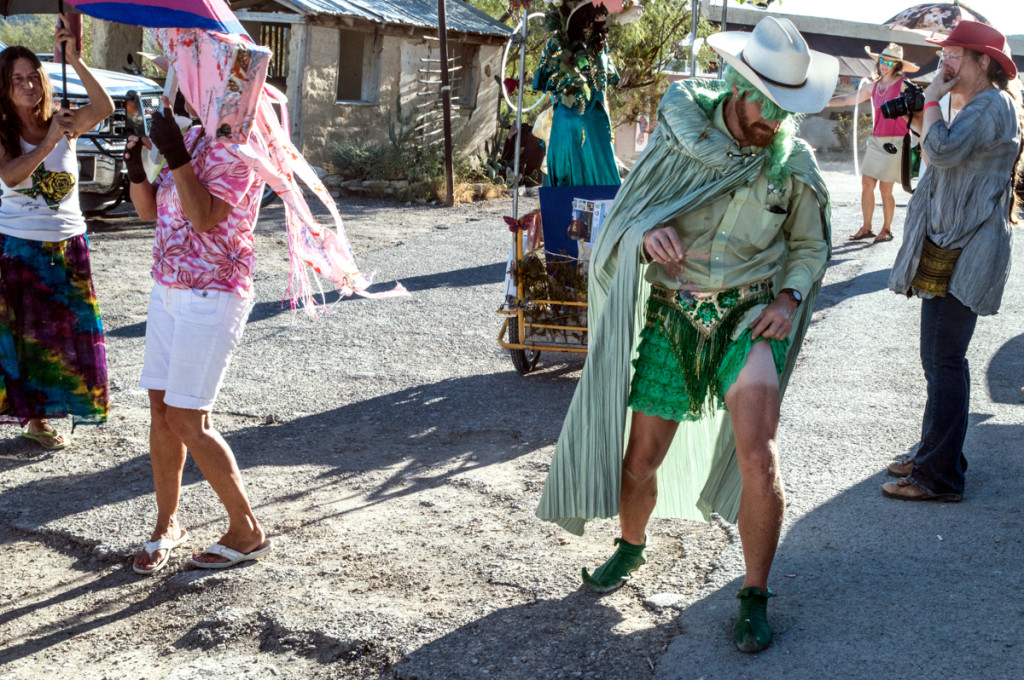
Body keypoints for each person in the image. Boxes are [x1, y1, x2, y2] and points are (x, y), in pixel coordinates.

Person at [535, 17, 837, 653]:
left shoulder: (793, 164)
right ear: (736, 86)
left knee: (760, 454)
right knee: (641, 458)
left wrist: (788, 296)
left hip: (750, 315)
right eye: (766, 104)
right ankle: (630, 545)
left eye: (787, 109)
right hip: (675, 313)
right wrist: (646, 233)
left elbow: (809, 245)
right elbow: (624, 217)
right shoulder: (678, 141)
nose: (774, 121)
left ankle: (754, 595)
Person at [126, 98, 273, 575]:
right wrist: (136, 170)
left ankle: (246, 529)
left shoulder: (239, 147)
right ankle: (167, 523)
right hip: (167, 288)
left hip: (212, 293)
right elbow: (150, 212)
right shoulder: (188, 136)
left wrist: (176, 155)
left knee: (190, 417)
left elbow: (205, 216)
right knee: (161, 410)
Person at [884, 21, 1022, 502]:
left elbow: (939, 152)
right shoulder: (982, 104)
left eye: (956, 54)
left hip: (966, 247)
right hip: (955, 243)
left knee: (944, 360)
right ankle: (935, 454)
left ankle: (938, 476)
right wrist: (937, 102)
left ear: (984, 62)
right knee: (940, 360)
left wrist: (933, 99)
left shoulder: (988, 106)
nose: (945, 61)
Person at [0, 17, 114, 450]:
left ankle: (47, 414)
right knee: (27, 341)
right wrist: (48, 141)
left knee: (65, 334)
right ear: (5, 89)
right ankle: (35, 420)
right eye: (17, 80)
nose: (28, 85)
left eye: (34, 76)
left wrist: (76, 61)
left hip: (68, 245)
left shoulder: (64, 119)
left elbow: (103, 107)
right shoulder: (6, 130)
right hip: (20, 248)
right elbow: (10, 176)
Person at [825, 43, 919, 244]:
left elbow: (918, 104)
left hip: (896, 142)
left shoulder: (903, 84)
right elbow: (848, 99)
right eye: (882, 61)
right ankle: (867, 227)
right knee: (867, 184)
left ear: (897, 65)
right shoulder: (874, 86)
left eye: (890, 62)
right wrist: (822, 101)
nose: (884, 65)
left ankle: (886, 229)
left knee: (886, 189)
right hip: (877, 140)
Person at [533, 0, 622, 187]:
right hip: (568, 118)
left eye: (604, 13)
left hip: (595, 119)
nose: (604, 17)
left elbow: (610, 78)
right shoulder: (558, 45)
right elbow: (546, 78)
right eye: (599, 12)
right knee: (568, 170)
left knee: (601, 169)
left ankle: (606, 212)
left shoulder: (601, 47)